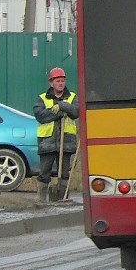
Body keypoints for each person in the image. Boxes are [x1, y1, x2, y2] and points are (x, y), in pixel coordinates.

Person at [33, 67, 79, 202]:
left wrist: (63, 105)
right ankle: (41, 198)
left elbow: (76, 112)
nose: (61, 83)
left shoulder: (72, 97)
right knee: (44, 172)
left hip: (67, 143)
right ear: (51, 83)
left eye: (62, 81)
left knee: (64, 173)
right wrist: (60, 111)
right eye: (58, 81)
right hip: (47, 143)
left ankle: (63, 197)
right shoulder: (42, 98)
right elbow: (40, 116)